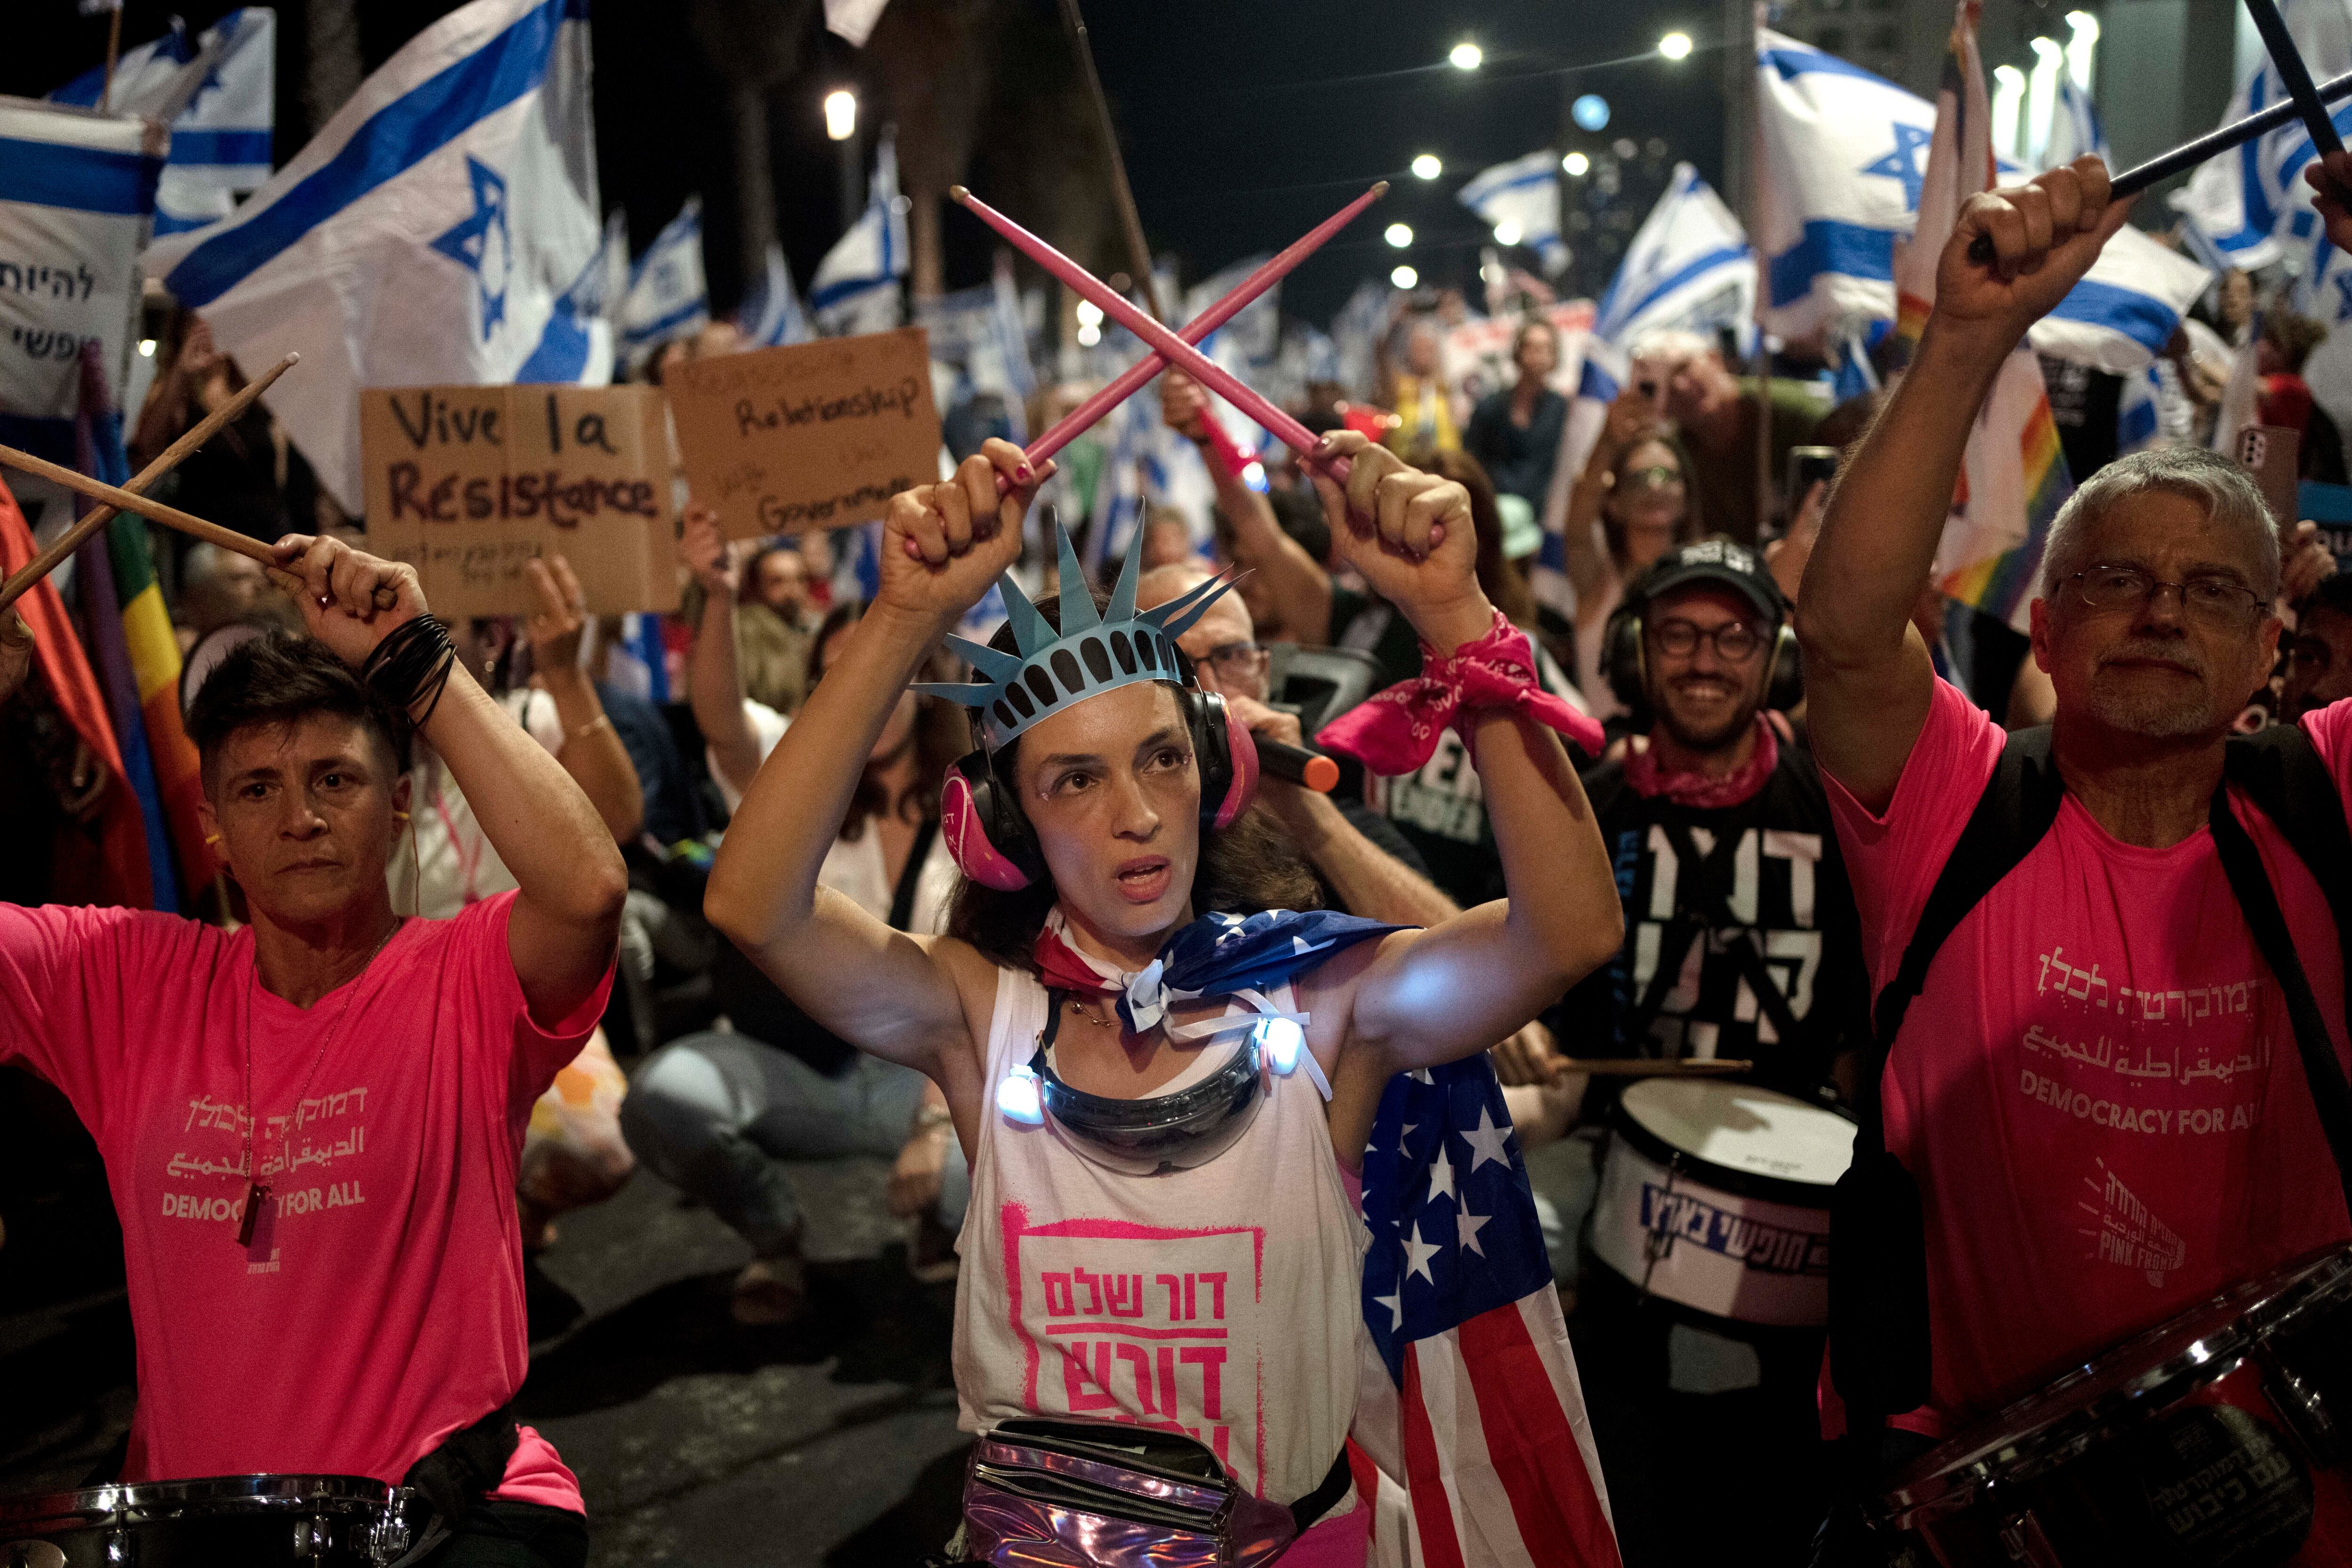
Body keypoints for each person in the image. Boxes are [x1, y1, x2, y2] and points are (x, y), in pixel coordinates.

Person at [701, 432, 1622, 1557]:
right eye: (1073, 780)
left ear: (1216, 772)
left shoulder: (1320, 1002)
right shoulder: (978, 1016)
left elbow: (1568, 933)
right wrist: (901, 617)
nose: (1133, 813)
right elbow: (755, 907)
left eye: (1162, 760)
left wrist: (1459, 617)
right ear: (1002, 832)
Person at [1796, 158, 2352, 1489]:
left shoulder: (2324, 798)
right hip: (1974, 1500)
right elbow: (1845, 626)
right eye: (2116, 578)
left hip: (2289, 1503)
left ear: (2273, 650)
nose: (2163, 610)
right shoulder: (1956, 800)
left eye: (2214, 590)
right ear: (2043, 624)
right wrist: (1973, 336)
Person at [0, 536, 624, 1566]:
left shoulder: (465, 973)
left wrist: (415, 657)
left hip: (442, 1520)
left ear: (398, 809)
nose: (298, 817)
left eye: (334, 777)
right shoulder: (117, 977)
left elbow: (590, 888)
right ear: (210, 828)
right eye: (256, 789)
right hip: (194, 1530)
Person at [1545, 541, 1867, 1566]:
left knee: (1770, 1500)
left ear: (1771, 657)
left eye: (1734, 637)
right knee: (1630, 1487)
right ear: (1639, 650)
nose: (1704, 660)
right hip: (1619, 1192)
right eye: (1679, 633)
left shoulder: (1834, 809)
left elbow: (1865, 1017)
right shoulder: (1592, 806)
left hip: (1798, 1201)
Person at [623, 504, 969, 1325]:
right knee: (665, 1096)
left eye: (885, 672)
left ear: (925, 683)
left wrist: (933, 1125)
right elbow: (721, 720)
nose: (867, 694)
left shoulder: (982, 802)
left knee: (982, 1175)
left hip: (933, 1077)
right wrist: (713, 592)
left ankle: (945, 1225)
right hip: (804, 1064)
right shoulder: (797, 783)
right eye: (841, 677)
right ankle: (776, 1238)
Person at [383, 557, 643, 1257]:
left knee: (602, 1149)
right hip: (410, 1018)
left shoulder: (526, 722)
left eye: (436, 629)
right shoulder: (359, 759)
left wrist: (564, 676)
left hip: (534, 998)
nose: (409, 645)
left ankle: (514, 1210)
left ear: (484, 642)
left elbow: (619, 817)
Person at [1548, 394, 1708, 715]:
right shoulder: (1597, 580)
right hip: (1610, 757)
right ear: (1613, 501)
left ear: (1687, 497)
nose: (1654, 487)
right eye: (1638, 478)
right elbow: (1578, 517)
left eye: (1668, 476)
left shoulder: (1707, 575)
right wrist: (1608, 440)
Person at [1628, 327, 1823, 546]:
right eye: (1661, 384)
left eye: (1683, 368)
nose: (1679, 386)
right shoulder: (1673, 455)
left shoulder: (1793, 412)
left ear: (1715, 359)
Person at [1463, 318, 1569, 517]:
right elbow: (1472, 460)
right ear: (1518, 352)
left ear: (1554, 356)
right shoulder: (1490, 407)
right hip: (1495, 511)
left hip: (1543, 514)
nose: (1536, 354)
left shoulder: (1561, 409)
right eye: (1530, 346)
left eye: (1544, 348)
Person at [734, 541, 820, 716]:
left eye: (800, 579)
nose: (792, 591)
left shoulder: (814, 629)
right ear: (757, 588)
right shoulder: (745, 630)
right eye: (778, 582)